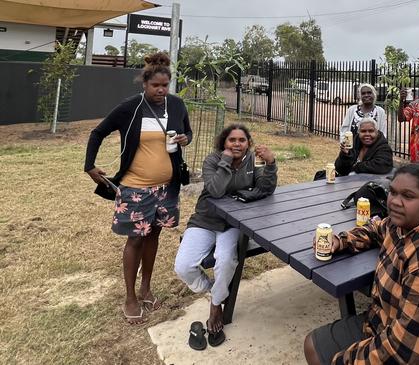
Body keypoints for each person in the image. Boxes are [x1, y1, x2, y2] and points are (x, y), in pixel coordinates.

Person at [304, 164, 419, 365]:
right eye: (392, 192)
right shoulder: (403, 224)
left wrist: (343, 361)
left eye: (408, 196)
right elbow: (376, 228)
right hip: (386, 322)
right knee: (313, 345)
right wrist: (342, 241)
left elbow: (404, 353)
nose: (395, 202)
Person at [84, 52, 192, 324]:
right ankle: (130, 296)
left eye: (165, 85)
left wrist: (184, 139)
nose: (161, 90)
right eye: (155, 86)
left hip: (167, 188)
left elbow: (188, 133)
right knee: (135, 239)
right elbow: (98, 132)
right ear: (144, 84)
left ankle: (146, 288)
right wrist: (90, 165)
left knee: (153, 236)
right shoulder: (130, 107)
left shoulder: (176, 105)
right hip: (135, 188)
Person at [175, 124, 277, 346]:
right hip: (205, 218)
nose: (237, 144)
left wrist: (270, 163)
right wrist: (226, 160)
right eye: (232, 140)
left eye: (242, 140)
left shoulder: (253, 161)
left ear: (248, 143)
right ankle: (215, 291)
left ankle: (215, 306)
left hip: (233, 223)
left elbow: (266, 188)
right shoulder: (213, 160)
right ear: (224, 143)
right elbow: (216, 190)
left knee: (226, 260)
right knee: (183, 266)